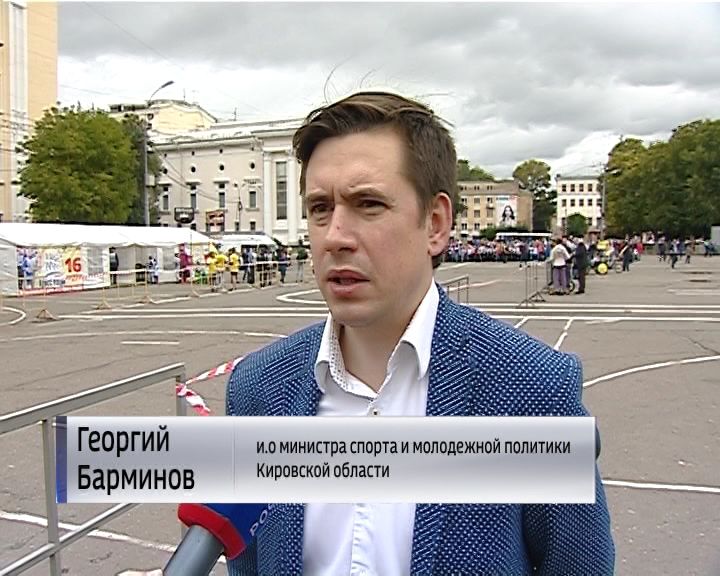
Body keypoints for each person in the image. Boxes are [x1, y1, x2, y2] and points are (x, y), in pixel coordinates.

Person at [226, 91, 614, 575]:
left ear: (435, 224)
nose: (335, 236)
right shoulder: (258, 389)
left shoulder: (531, 386)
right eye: (320, 208)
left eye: (368, 204)